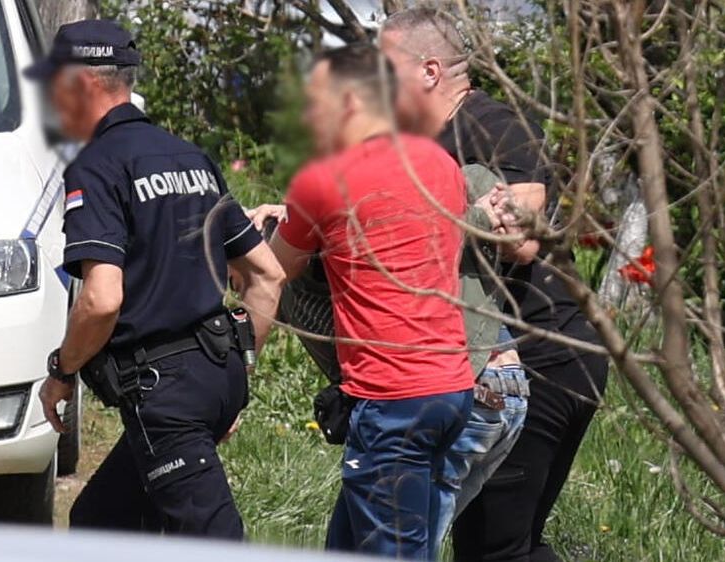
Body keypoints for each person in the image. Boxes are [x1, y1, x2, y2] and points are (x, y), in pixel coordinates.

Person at [28, 20, 285, 539]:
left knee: (214, 539)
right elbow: (267, 274)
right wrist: (236, 378)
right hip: (214, 375)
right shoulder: (191, 157)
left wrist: (62, 370)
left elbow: (101, 300)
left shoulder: (96, 167)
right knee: (100, 521)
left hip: (164, 393)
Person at [381, 9, 610, 562]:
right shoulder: (418, 140)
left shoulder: (494, 126)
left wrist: (469, 217)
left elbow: (522, 240)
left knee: (492, 547)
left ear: (429, 70)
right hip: (510, 362)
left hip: (543, 358)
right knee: (511, 544)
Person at [268, 44, 475, 560]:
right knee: (351, 543)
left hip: (393, 398)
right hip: (450, 387)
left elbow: (273, 269)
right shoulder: (442, 163)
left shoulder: (324, 177)